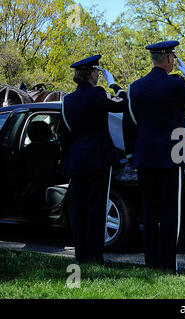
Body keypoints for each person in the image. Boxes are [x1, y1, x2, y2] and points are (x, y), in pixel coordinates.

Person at [124, 40, 185, 273]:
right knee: (170, 213)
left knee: (150, 213)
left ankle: (151, 263)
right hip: (171, 157)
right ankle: (168, 265)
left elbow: (129, 124)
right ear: (171, 59)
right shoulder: (176, 84)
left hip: (144, 157)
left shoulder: (135, 87)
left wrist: (134, 152)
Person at [61, 55, 127, 264]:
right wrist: (114, 84)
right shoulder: (97, 94)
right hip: (98, 160)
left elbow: (65, 135)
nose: (98, 75)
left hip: (77, 160)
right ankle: (96, 256)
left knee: (79, 210)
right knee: (96, 208)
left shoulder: (67, 100)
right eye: (97, 72)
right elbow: (123, 105)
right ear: (91, 73)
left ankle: (81, 255)